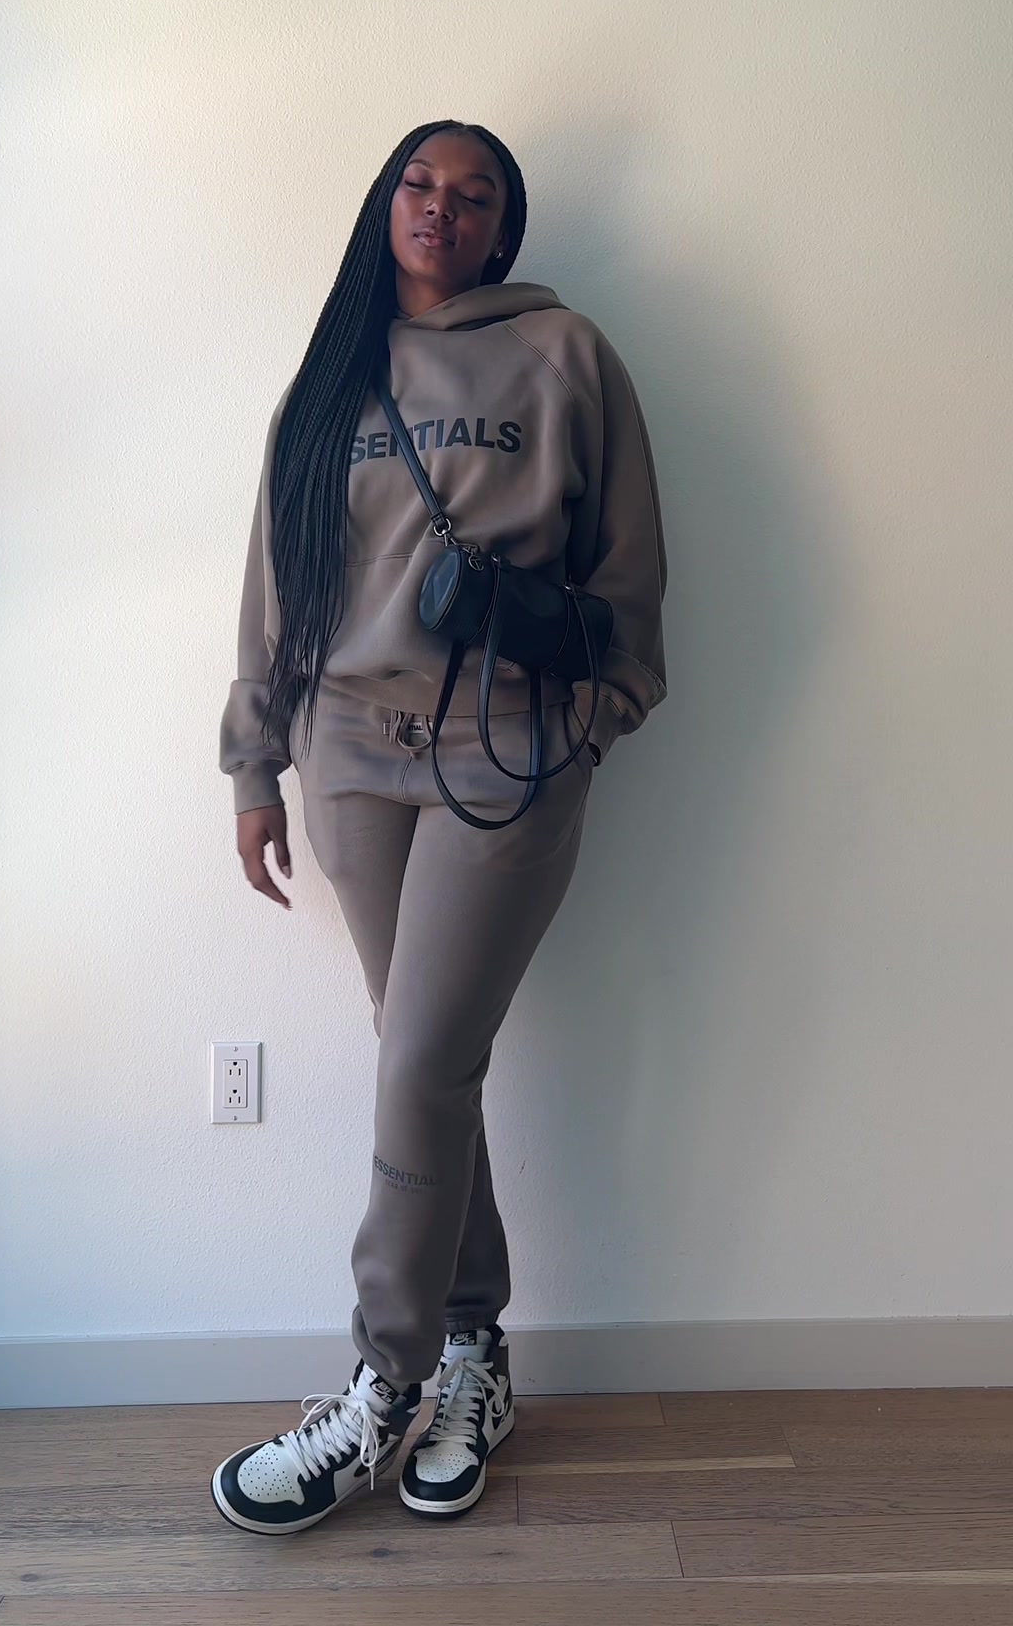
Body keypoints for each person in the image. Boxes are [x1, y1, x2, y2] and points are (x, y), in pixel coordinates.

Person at [209, 119, 667, 1535]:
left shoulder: (566, 354)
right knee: (428, 1064)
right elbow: (278, 584)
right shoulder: (331, 378)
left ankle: (379, 1384)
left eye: (474, 195)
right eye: (420, 183)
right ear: (384, 203)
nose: (441, 208)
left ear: (502, 228)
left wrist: (592, 718)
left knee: (419, 1061)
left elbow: (629, 572)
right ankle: (475, 1353)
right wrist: (254, 763)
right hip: (350, 754)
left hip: (504, 752)